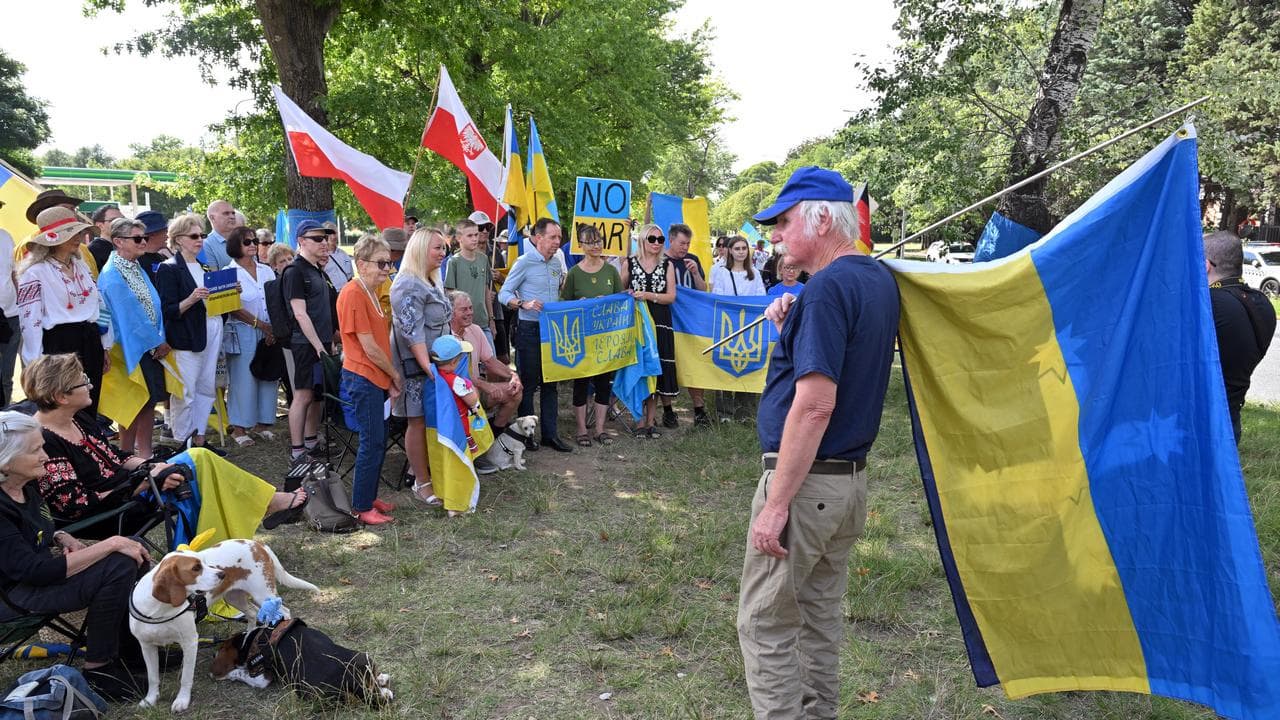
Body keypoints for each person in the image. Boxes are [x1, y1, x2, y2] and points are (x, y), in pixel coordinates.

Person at [736, 166, 899, 720]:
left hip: (807, 484)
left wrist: (776, 503)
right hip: (847, 485)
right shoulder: (874, 280)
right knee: (817, 617)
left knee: (765, 622)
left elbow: (815, 405)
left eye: (783, 222)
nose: (776, 236)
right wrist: (794, 322)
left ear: (822, 218)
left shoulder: (827, 289)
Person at [26, 354, 306, 539]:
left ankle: (224, 544)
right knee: (196, 464)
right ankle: (261, 509)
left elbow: (117, 457)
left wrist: (153, 467)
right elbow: (76, 506)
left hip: (132, 490)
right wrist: (146, 481)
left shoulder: (78, 419)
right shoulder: (44, 442)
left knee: (194, 465)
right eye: (83, 382)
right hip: (110, 513)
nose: (90, 385)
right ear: (61, 396)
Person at [0, 410, 150, 702]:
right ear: (6, 462)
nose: (45, 456)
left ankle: (132, 649)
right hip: (12, 598)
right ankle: (99, 669)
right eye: (35, 450)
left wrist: (60, 535)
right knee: (119, 561)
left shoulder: (24, 485)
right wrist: (108, 544)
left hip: (32, 581)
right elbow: (35, 571)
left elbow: (33, 528)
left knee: (132, 547)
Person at [17, 207, 112, 415]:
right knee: (64, 404)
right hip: (59, 343)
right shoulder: (35, 273)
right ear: (53, 240)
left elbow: (98, 305)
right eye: (69, 233)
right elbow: (30, 320)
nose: (77, 238)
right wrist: (35, 361)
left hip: (89, 338)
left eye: (78, 232)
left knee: (89, 400)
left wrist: (104, 344)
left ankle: (87, 436)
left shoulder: (81, 267)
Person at [337, 235, 401, 525]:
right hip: (363, 377)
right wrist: (394, 374)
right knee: (371, 441)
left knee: (378, 440)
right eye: (381, 263)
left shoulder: (372, 291)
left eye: (389, 263)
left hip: (376, 376)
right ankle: (362, 506)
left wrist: (388, 377)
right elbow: (369, 347)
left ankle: (369, 496)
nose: (387, 268)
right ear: (361, 264)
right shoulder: (353, 293)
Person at [498, 218, 572, 453]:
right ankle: (526, 437)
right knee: (528, 384)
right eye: (553, 237)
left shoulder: (557, 262)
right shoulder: (524, 262)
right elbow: (503, 294)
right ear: (538, 238)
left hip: (552, 331)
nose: (557, 242)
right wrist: (523, 303)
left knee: (551, 383)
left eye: (559, 237)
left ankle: (550, 435)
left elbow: (558, 292)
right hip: (529, 329)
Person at [98, 217, 169, 458]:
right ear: (119, 241)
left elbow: (152, 305)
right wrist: (155, 341)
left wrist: (158, 336)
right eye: (137, 238)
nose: (144, 242)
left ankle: (145, 452)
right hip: (128, 347)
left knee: (148, 400)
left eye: (145, 238)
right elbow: (128, 316)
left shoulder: (135, 266)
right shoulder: (112, 274)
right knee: (133, 401)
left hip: (146, 344)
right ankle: (127, 453)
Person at [390, 228, 450, 503]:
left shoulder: (431, 280)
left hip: (437, 364)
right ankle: (421, 482)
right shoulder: (408, 284)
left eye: (444, 248)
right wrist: (429, 368)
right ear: (420, 249)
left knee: (430, 420)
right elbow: (411, 333)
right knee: (417, 421)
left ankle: (434, 472)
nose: (442, 253)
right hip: (416, 367)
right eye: (437, 247)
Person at [155, 214, 222, 453]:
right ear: (178, 239)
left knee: (206, 388)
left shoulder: (205, 267)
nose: (200, 240)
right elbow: (168, 310)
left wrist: (228, 292)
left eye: (202, 235)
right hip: (186, 337)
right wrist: (192, 299)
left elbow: (216, 302)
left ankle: (200, 439)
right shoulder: (169, 268)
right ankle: (184, 442)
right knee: (185, 392)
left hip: (211, 331)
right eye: (194, 236)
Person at [1204, 230, 1276, 442]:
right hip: (1231, 419)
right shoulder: (1262, 303)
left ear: (1205, 265)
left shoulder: (1207, 306)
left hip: (1198, 422)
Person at [560, 224, 622, 446]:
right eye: (591, 242)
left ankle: (600, 429)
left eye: (599, 241)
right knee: (582, 382)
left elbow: (620, 301)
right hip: (582, 337)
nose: (596, 246)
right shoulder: (574, 273)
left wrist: (617, 299)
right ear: (581, 245)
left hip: (605, 338)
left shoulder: (611, 271)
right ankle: (581, 429)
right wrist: (579, 304)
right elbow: (563, 303)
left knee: (603, 382)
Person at [620, 223, 678, 436]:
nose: (656, 243)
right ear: (642, 240)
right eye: (652, 239)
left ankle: (651, 421)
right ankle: (638, 421)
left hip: (660, 322)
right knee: (639, 368)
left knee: (655, 370)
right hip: (636, 323)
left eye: (660, 239)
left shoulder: (667, 265)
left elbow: (671, 296)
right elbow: (619, 291)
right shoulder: (629, 263)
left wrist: (648, 296)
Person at [282, 221, 334, 461]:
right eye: (317, 238)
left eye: (326, 238)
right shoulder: (295, 271)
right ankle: (297, 450)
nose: (324, 243)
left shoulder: (317, 270)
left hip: (321, 342)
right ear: (301, 241)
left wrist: (327, 342)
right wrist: (318, 346)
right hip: (305, 343)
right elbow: (300, 314)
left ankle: (311, 441)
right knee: (303, 395)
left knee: (317, 395)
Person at [223, 226, 278, 446]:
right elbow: (231, 307)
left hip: (269, 330)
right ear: (236, 245)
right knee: (243, 378)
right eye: (247, 242)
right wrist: (260, 325)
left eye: (255, 241)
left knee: (268, 375)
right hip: (242, 330)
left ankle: (262, 424)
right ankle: (239, 428)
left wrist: (273, 328)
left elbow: (274, 299)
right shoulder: (228, 272)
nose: (253, 245)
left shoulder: (266, 270)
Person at [446, 290, 521, 448]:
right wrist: (484, 384)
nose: (469, 313)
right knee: (473, 392)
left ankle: (494, 437)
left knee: (515, 391)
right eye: (464, 309)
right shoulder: (445, 336)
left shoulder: (475, 330)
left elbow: (490, 361)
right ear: (451, 312)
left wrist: (512, 375)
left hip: (476, 387)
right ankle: (471, 445)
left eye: (471, 308)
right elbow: (455, 375)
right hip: (454, 393)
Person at [710, 235, 767, 423]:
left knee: (748, 366)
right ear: (730, 251)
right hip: (727, 325)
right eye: (737, 248)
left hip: (749, 326)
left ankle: (745, 412)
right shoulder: (722, 273)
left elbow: (760, 299)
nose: (741, 252)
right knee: (726, 366)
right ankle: (725, 412)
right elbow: (718, 298)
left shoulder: (755, 273)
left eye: (744, 248)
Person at [665, 223, 710, 426]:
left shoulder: (692, 259)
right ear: (671, 240)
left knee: (694, 362)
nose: (685, 247)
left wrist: (695, 274)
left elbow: (702, 290)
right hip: (667, 318)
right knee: (667, 364)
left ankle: (699, 409)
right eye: (682, 243)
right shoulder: (661, 260)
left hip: (690, 321)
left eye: (688, 243)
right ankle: (668, 410)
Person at [444, 218, 495, 355]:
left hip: (483, 322)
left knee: (491, 360)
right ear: (459, 238)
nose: (474, 239)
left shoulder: (483, 259)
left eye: (476, 234)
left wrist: (491, 319)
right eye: (470, 235)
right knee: (469, 364)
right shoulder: (453, 262)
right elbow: (450, 295)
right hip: (463, 325)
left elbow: (486, 291)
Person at [432, 335, 482, 454]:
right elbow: (473, 400)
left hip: (440, 425)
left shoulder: (433, 375)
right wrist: (471, 387)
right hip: (459, 426)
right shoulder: (457, 381)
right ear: (453, 362)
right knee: (462, 453)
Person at [0, 205, 18, 407]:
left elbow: (13, 273)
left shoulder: (5, 236)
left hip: (12, 314)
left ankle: (5, 414)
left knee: (7, 372)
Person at [134, 210, 172, 283]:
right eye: (165, 231)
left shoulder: (160, 257)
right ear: (152, 235)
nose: (168, 235)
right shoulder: (137, 263)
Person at [199, 200, 237, 270]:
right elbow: (213, 275)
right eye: (226, 213)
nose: (232, 216)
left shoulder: (243, 240)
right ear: (212, 218)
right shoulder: (205, 245)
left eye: (233, 213)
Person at [87, 205, 124, 270]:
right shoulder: (94, 250)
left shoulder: (127, 245)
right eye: (115, 220)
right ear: (100, 226)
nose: (122, 223)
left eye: (123, 219)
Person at [322, 222, 353, 293]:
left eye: (335, 233)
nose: (333, 237)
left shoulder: (344, 254)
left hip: (346, 293)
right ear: (324, 236)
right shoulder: (320, 256)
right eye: (330, 234)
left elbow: (350, 277)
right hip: (330, 294)